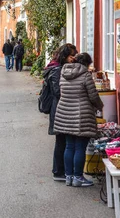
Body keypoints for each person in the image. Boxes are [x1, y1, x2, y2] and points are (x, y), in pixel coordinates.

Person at [54, 53, 104, 187]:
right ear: (86, 64)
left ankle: (69, 177)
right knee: (80, 147)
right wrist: (100, 106)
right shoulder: (86, 75)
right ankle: (78, 177)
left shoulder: (64, 73)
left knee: (69, 145)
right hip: (81, 114)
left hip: (65, 113)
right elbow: (93, 96)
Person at [45, 43, 78, 182]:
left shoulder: (56, 67)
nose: (74, 59)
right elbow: (58, 91)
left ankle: (61, 170)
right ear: (64, 56)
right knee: (61, 140)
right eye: (72, 56)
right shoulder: (56, 70)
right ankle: (59, 171)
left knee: (63, 140)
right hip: (58, 109)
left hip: (59, 108)